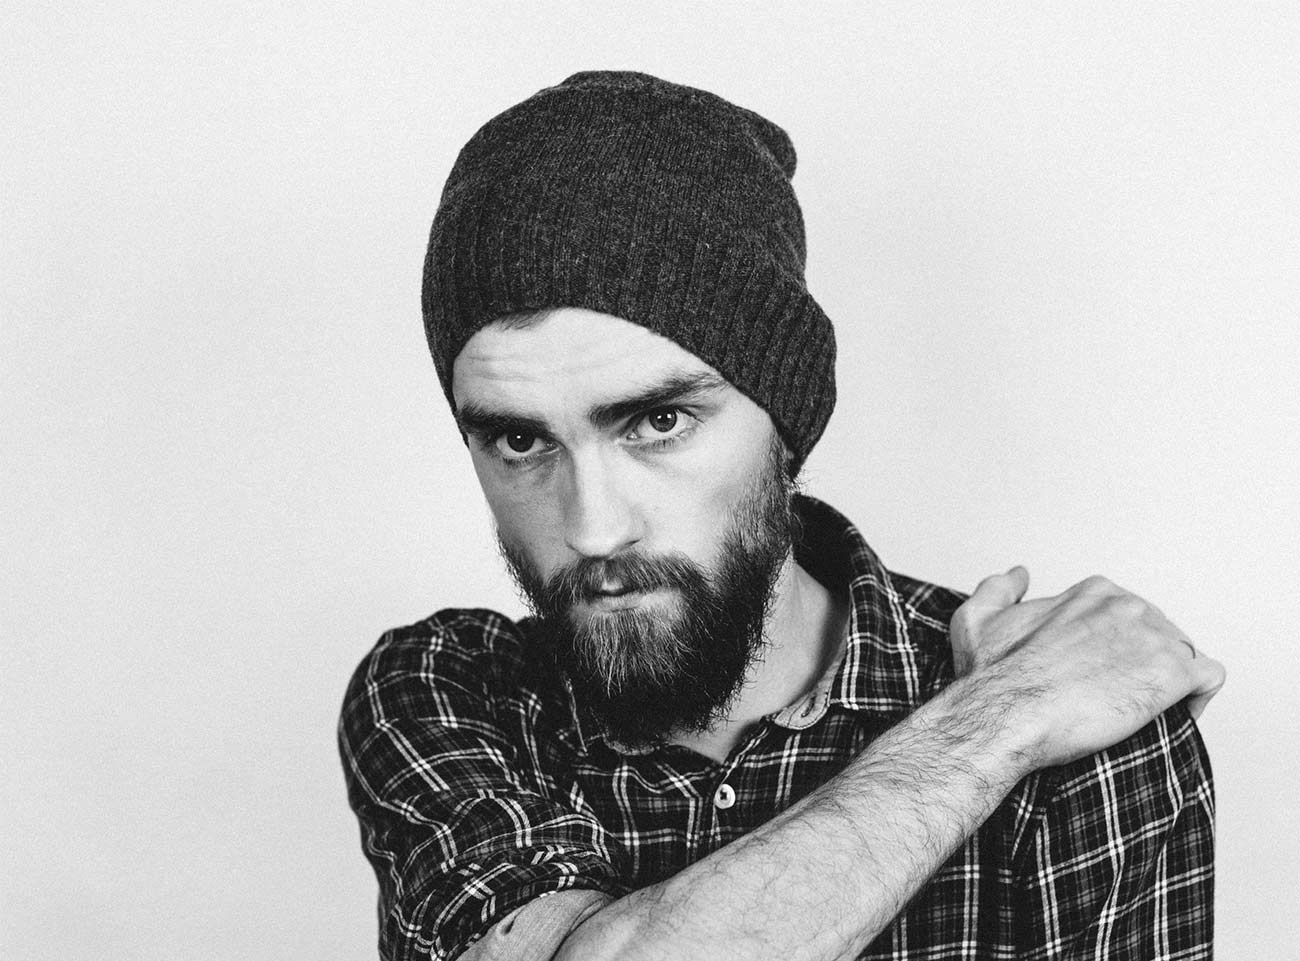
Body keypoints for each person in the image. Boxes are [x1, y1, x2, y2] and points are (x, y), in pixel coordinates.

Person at [338, 71, 1225, 961]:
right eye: (521, 441)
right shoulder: (446, 693)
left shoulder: (1092, 739)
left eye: (659, 421)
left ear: (787, 418)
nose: (594, 529)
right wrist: (995, 724)